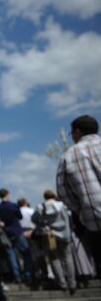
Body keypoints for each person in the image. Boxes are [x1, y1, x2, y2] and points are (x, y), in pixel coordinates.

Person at [57, 114, 101, 279]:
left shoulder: (68, 155)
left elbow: (63, 191)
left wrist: (81, 210)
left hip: (94, 219)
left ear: (77, 131)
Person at [32, 190, 77, 294]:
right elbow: (69, 219)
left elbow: (34, 219)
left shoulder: (41, 207)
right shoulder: (63, 206)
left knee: (54, 259)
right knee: (68, 258)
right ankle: (72, 283)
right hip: (64, 235)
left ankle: (62, 282)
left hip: (50, 235)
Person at [0, 188, 32, 283]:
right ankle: (27, 274)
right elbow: (20, 216)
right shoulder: (13, 205)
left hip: (6, 232)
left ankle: (17, 276)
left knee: (11, 255)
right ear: (7, 194)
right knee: (26, 254)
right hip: (16, 231)